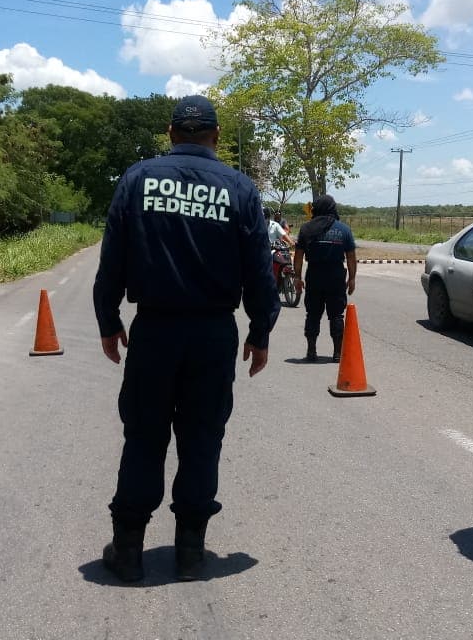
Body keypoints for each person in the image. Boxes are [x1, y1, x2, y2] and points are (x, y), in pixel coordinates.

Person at [93, 94, 280, 582]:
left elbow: (113, 255)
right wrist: (260, 330)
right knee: (202, 438)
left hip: (154, 330)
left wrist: (108, 319)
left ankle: (128, 550)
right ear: (216, 136)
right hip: (213, 335)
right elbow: (260, 270)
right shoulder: (239, 187)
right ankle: (191, 553)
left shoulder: (138, 179)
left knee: (144, 436)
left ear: (171, 133)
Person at [292, 194, 357, 362]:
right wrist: (351, 278)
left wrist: (297, 277)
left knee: (313, 314)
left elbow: (298, 256)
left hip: (314, 275)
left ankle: (311, 351)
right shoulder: (343, 229)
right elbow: (351, 256)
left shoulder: (306, 229)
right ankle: (337, 353)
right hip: (336, 277)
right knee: (336, 315)